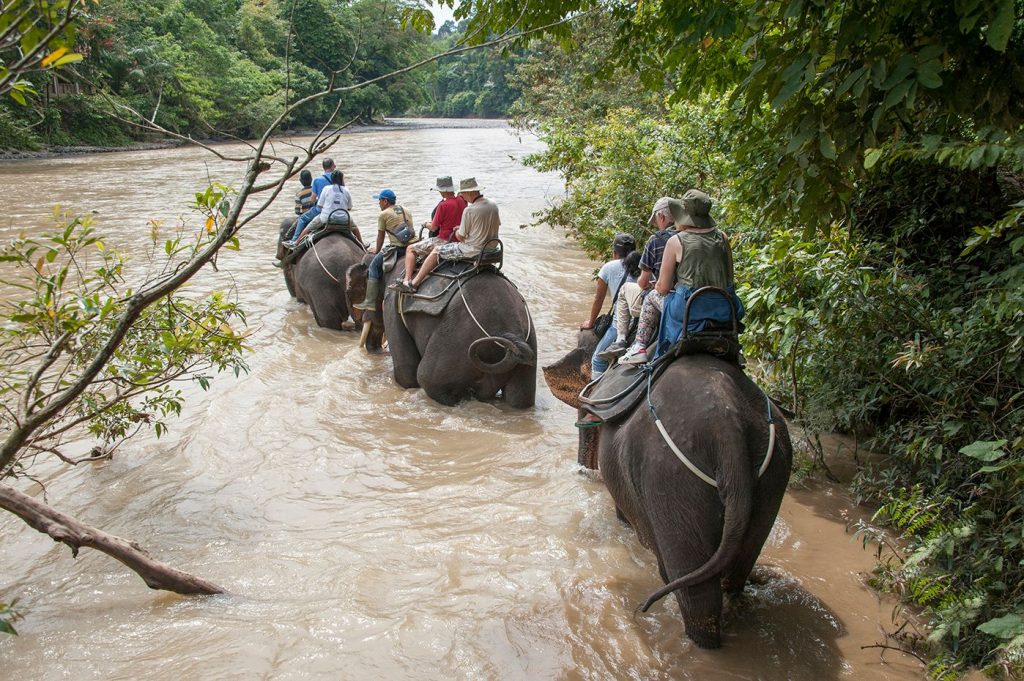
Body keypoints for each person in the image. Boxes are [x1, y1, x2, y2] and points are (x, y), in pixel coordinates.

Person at [620, 189, 739, 364]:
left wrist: (657, 285)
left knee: (652, 297)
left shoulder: (676, 241)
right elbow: (730, 277)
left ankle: (639, 346)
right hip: (725, 308)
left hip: (690, 310)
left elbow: (663, 288)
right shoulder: (723, 237)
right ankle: (735, 350)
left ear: (684, 216)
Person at [598, 196, 680, 362]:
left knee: (626, 291)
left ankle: (625, 341)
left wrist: (655, 285)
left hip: (669, 300)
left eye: (656, 220)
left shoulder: (656, 240)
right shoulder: (691, 237)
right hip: (692, 298)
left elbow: (643, 283)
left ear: (661, 217)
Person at [393, 177, 497, 293]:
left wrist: (457, 230)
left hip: (472, 249)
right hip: (491, 248)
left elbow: (460, 236)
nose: (463, 196)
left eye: (463, 193)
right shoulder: (492, 205)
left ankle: (412, 282)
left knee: (433, 250)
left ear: (468, 192)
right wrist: (462, 227)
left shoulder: (469, 209)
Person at [393, 175, 467, 290]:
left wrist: (425, 224)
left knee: (410, 249)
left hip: (443, 240)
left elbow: (433, 228)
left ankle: (407, 280)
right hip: (459, 239)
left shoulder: (443, 205)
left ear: (442, 191)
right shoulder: (462, 201)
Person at [353, 189, 417, 312]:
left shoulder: (383, 214)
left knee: (373, 266)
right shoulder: (406, 210)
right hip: (414, 245)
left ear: (385, 201)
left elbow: (380, 236)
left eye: (379, 200)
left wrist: (377, 250)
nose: (379, 203)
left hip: (399, 248)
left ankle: (370, 301)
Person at [584, 232, 637, 378]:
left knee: (598, 360)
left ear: (614, 253)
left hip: (620, 324)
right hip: (642, 323)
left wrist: (591, 322)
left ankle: (594, 395)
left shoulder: (609, 267)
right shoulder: (644, 267)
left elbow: (598, 299)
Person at [286, 169, 360, 245]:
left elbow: (319, 205)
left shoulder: (326, 188)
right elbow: (349, 208)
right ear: (342, 179)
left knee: (308, 227)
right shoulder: (346, 190)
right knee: (355, 229)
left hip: (326, 218)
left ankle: (296, 242)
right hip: (344, 219)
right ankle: (362, 245)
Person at [287, 158, 338, 241]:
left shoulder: (317, 180)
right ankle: (361, 243)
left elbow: (313, 199)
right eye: (334, 165)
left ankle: (294, 241)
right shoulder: (338, 179)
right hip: (338, 210)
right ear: (332, 166)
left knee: (302, 218)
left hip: (322, 211)